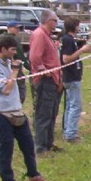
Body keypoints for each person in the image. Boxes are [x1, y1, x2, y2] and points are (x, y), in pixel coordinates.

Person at [0, 34, 45, 181]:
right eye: (12, 50)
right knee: (6, 149)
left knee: (28, 145)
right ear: (3, 49)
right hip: (2, 114)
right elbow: (5, 89)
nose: (14, 53)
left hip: (17, 112)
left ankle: (33, 174)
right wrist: (15, 71)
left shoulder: (8, 63)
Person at [29, 9, 63, 154]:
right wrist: (45, 72)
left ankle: (49, 143)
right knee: (43, 113)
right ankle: (41, 147)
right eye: (55, 20)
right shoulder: (39, 35)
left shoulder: (47, 35)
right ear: (48, 21)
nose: (57, 23)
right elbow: (35, 57)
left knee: (52, 113)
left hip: (54, 81)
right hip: (45, 81)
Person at [60, 18, 91, 144]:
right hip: (71, 77)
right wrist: (81, 51)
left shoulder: (69, 39)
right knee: (75, 106)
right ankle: (71, 135)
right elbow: (66, 59)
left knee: (69, 105)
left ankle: (67, 130)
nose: (79, 28)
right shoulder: (67, 40)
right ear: (74, 27)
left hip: (72, 76)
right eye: (78, 26)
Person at [3, 21, 30, 103]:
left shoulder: (3, 38)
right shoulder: (11, 40)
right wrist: (28, 66)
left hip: (8, 67)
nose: (18, 29)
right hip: (14, 67)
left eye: (18, 28)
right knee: (20, 88)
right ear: (9, 28)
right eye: (16, 28)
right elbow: (20, 55)